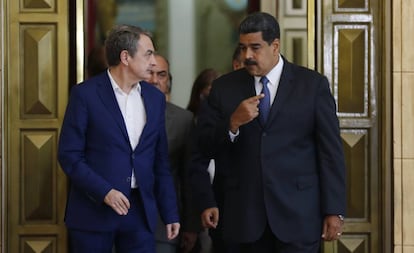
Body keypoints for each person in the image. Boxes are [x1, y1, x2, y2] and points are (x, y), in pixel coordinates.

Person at [195, 12, 346, 253]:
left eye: (255, 48)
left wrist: (333, 210)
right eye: (243, 48)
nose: (247, 56)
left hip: (298, 217)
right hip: (243, 219)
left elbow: (330, 152)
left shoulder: (312, 85)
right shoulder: (224, 88)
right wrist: (232, 124)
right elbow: (202, 146)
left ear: (275, 45)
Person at [58, 24, 180, 253]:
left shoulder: (155, 98)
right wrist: (104, 191)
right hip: (93, 210)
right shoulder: (85, 94)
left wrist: (170, 212)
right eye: (148, 54)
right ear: (125, 57)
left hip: (140, 212)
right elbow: (69, 155)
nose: (154, 61)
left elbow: (160, 161)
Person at [146, 53, 201, 253]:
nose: (155, 80)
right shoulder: (120, 113)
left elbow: (188, 176)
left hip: (165, 223)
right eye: (149, 73)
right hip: (121, 218)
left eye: (162, 75)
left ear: (168, 81)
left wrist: (191, 226)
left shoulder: (183, 119)